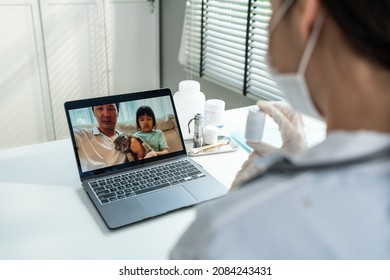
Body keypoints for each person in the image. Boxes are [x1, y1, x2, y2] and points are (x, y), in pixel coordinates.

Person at [170, 0, 390, 259]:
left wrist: (245, 200)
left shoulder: (228, 234)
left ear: (304, 15)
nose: (267, 28)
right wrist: (302, 160)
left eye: (271, 12)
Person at [74, 103, 126, 172]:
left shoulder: (126, 139)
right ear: (93, 113)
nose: (106, 115)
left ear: (118, 112)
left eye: (110, 109)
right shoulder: (82, 135)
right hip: (93, 178)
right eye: (100, 109)